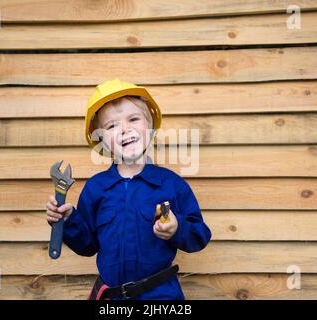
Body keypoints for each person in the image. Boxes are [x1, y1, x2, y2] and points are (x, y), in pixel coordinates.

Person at [46, 78, 212, 299]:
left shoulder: (172, 185)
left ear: (150, 127)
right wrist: (68, 221)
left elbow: (199, 236)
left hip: (162, 295)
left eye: (133, 119)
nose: (124, 129)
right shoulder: (96, 188)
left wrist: (177, 228)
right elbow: (87, 246)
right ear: (102, 141)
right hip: (111, 297)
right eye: (112, 126)